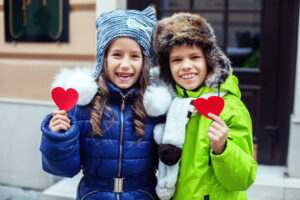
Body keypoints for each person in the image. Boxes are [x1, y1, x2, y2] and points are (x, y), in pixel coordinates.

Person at [40, 7, 163, 200]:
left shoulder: (155, 108)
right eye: (116, 54)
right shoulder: (82, 106)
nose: (125, 64)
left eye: (134, 56)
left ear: (144, 62)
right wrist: (58, 139)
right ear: (103, 59)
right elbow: (63, 169)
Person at [152, 13, 257, 200]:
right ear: (168, 67)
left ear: (209, 61)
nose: (186, 66)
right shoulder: (167, 106)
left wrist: (223, 149)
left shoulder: (231, 108)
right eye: (177, 60)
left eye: (194, 57)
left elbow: (242, 179)